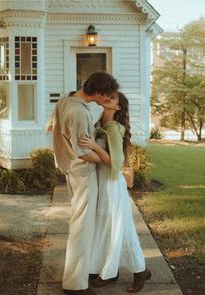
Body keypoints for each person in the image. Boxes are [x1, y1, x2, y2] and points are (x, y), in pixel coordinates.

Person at [52, 72, 119, 295]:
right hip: (83, 173)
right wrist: (109, 160)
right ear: (97, 93)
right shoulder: (78, 112)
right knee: (81, 227)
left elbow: (52, 127)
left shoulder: (67, 99)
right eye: (107, 96)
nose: (109, 99)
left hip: (71, 170)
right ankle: (74, 285)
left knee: (81, 224)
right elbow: (83, 153)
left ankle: (83, 272)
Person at [78, 92, 151, 293]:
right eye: (107, 96)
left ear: (118, 107)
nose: (108, 98)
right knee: (104, 227)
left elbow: (116, 164)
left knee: (121, 227)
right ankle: (108, 269)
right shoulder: (99, 124)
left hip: (111, 183)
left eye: (113, 98)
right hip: (100, 180)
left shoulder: (113, 129)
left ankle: (139, 270)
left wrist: (94, 146)